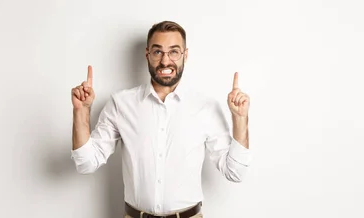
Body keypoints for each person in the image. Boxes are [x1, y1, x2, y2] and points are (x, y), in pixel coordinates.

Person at [70, 20, 252, 218]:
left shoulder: (206, 107)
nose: (166, 61)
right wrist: (81, 111)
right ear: (147, 54)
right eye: (158, 52)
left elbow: (234, 172)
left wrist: (240, 119)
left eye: (174, 51)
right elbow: (86, 163)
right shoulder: (120, 104)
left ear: (185, 55)